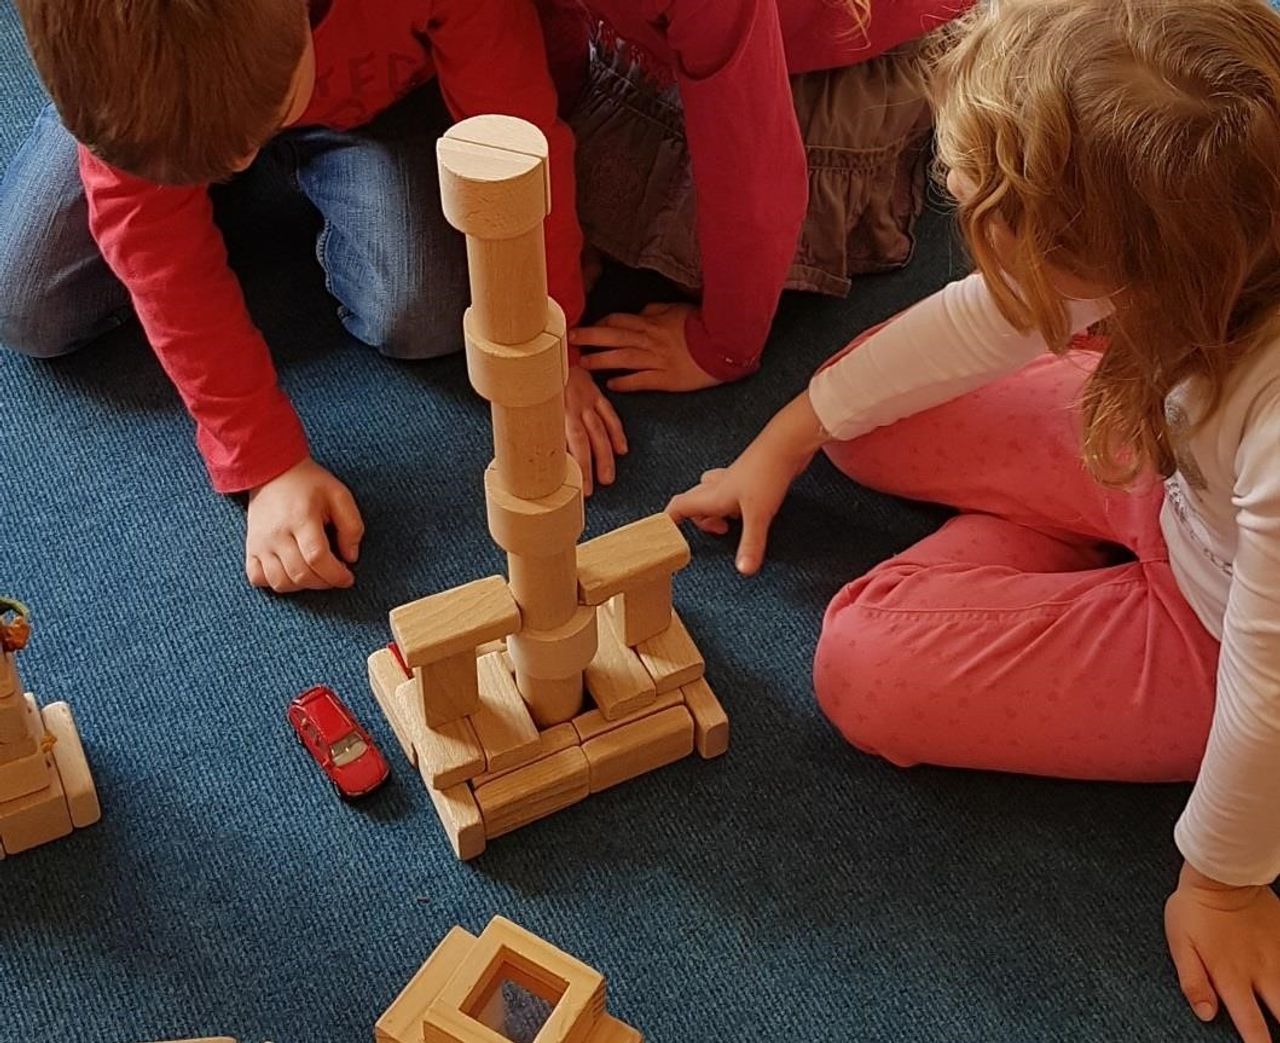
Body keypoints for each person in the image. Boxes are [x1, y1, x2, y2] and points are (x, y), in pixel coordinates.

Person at [668, 2, 1280, 1039]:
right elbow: (982, 317)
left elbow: (1266, 696)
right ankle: (1054, 549)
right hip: (1174, 469)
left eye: (980, 198)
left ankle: (1053, 571)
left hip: (1221, 637)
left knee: (862, 669)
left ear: (1120, 271)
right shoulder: (1199, 233)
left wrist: (1220, 881)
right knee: (855, 416)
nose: (949, 190)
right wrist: (777, 442)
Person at [0, 0, 624, 593]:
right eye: (221, 162)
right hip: (158, 102)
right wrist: (265, 462)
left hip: (371, 105)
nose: (240, 160)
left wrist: (545, 338)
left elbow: (516, 142)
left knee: (423, 312)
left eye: (250, 137)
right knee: (23, 302)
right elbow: (150, 244)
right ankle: (186, 160)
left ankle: (221, 166)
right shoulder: (132, 69)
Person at [532, 0, 970, 405]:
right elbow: (529, 73)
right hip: (701, 30)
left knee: (710, 253)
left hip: (866, 37)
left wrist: (724, 346)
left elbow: (757, 172)